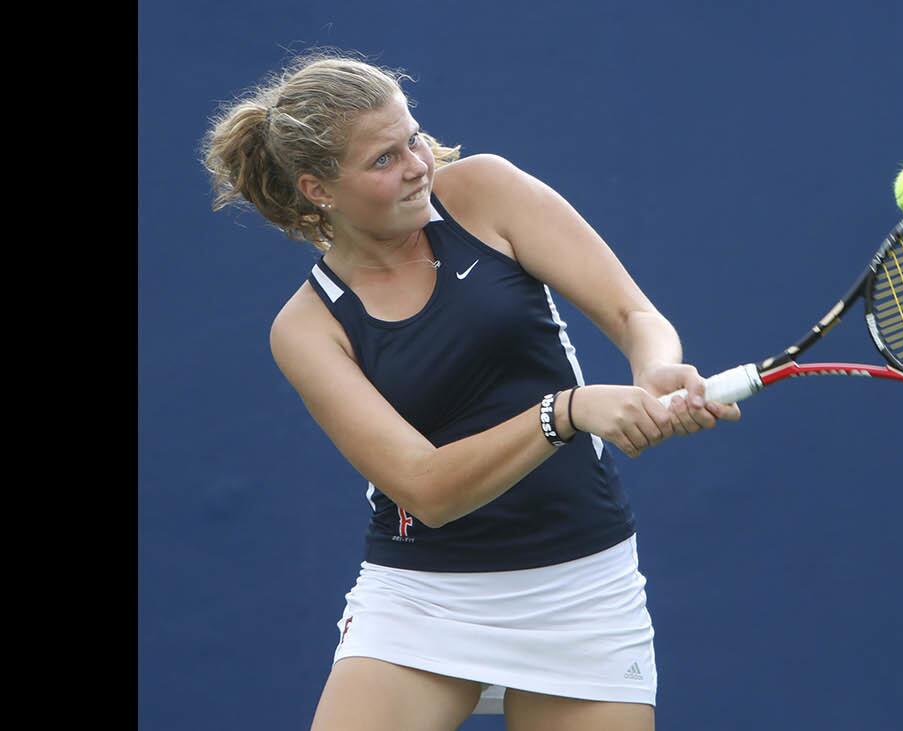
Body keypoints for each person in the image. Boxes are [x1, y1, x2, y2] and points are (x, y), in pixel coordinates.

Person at [200, 49, 740, 731]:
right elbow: (427, 489)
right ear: (318, 190)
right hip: (423, 597)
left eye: (414, 138)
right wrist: (564, 411)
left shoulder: (484, 191)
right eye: (383, 159)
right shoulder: (307, 328)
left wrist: (656, 368)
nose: (418, 164)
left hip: (580, 584)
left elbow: (637, 318)